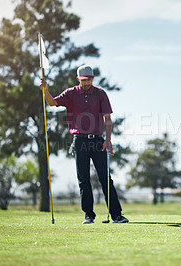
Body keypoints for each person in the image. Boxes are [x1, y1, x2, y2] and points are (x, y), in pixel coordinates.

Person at [40, 65, 128, 224]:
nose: (87, 82)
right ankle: (89, 215)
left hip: (98, 141)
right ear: (78, 79)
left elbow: (107, 119)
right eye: (84, 80)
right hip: (79, 140)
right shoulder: (71, 93)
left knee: (105, 178)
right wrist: (45, 90)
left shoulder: (100, 94)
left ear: (93, 78)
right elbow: (52, 103)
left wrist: (108, 140)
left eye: (90, 79)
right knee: (83, 179)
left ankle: (116, 215)